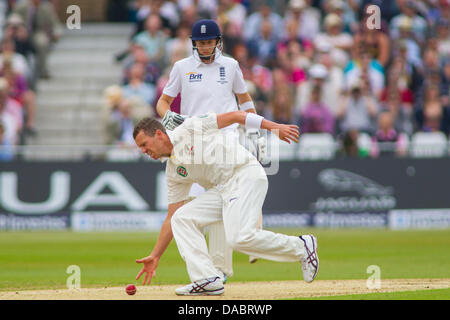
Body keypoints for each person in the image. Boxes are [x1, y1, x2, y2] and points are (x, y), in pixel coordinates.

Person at [133, 111, 319, 295]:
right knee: (181, 218)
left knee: (238, 238)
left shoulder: (189, 128)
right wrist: (155, 255)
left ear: (158, 134)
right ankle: (206, 278)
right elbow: (171, 216)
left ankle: (302, 247)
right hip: (222, 190)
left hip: (244, 174)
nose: (143, 151)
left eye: (144, 144)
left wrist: (274, 127)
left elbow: (236, 116)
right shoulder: (173, 171)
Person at [154, 19, 266, 282]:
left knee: (226, 194)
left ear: (218, 41)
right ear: (194, 44)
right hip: (193, 139)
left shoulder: (231, 65)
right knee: (197, 208)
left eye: (209, 42)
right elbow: (163, 102)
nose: (205, 47)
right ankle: (210, 270)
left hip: (226, 137)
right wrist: (169, 117)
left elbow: (244, 97)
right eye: (201, 43)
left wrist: (254, 125)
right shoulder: (182, 68)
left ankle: (220, 269)